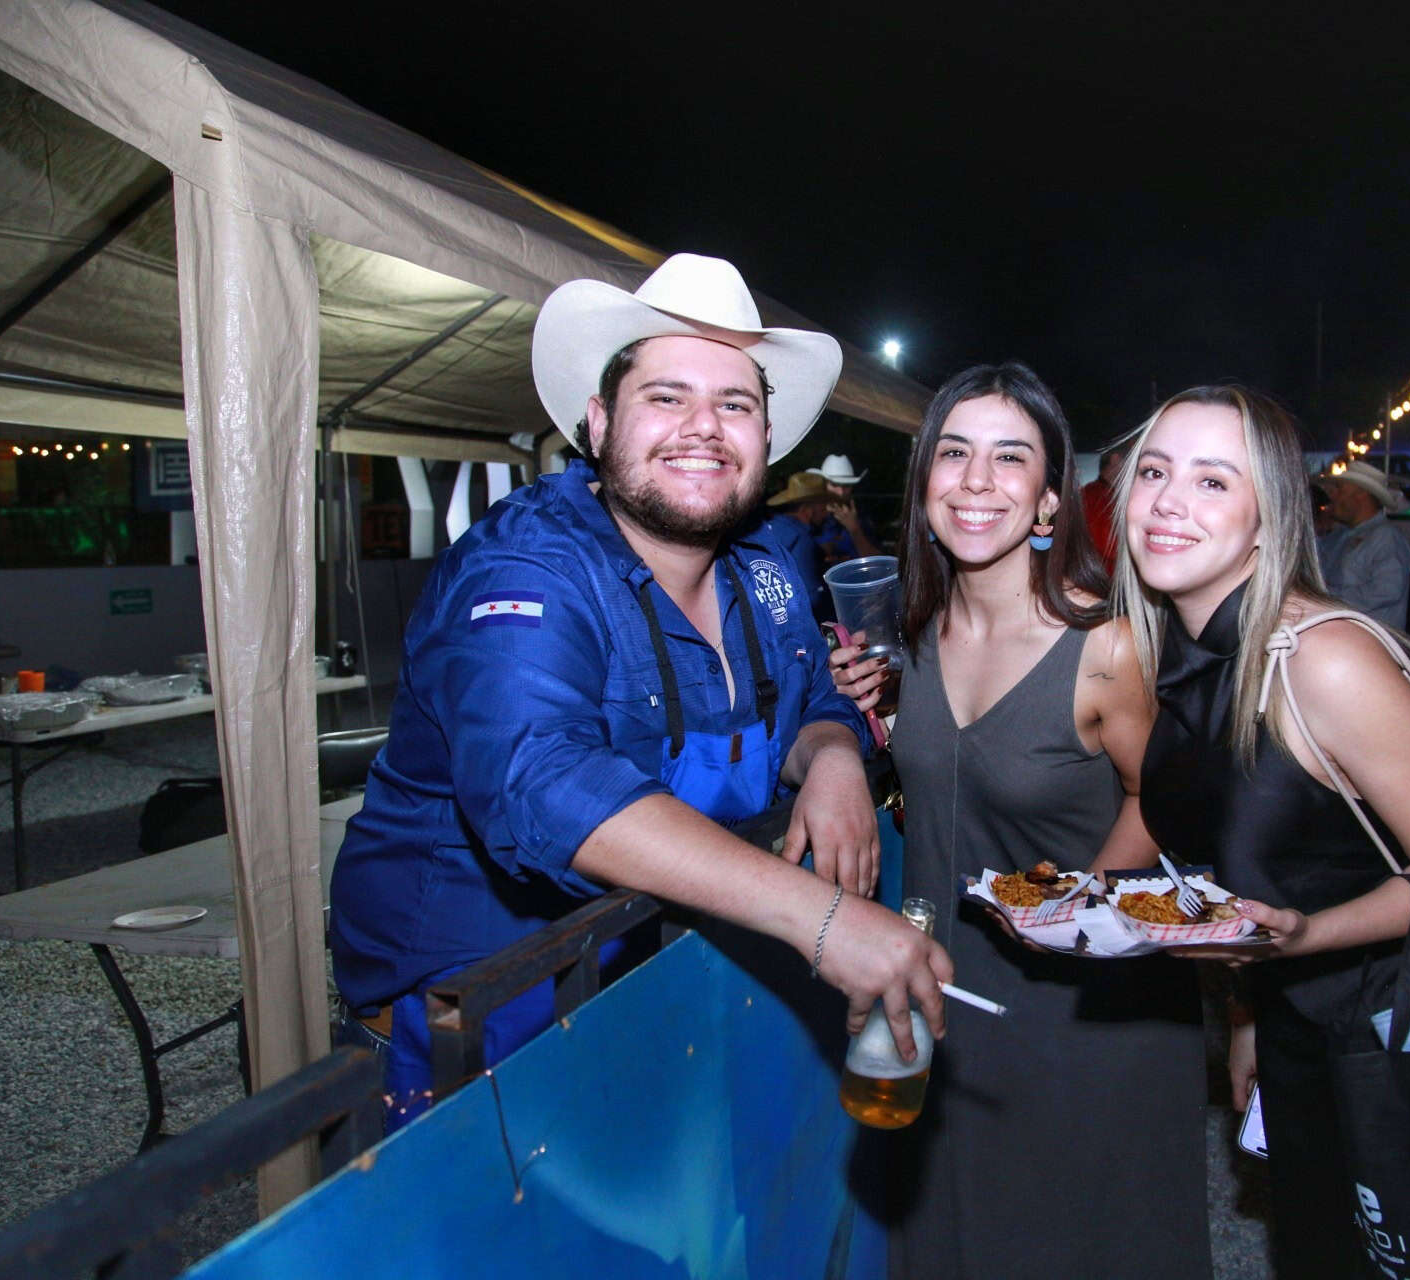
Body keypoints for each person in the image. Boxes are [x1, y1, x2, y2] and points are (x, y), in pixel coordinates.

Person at [329, 254, 951, 1129]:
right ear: (598, 421)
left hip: (646, 987)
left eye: (734, 404)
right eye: (667, 396)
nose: (704, 428)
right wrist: (820, 918)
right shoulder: (527, 568)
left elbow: (813, 694)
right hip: (471, 1028)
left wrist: (834, 758)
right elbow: (541, 781)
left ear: (766, 437)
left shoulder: (765, 566)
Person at [829, 363, 1211, 1279]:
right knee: (956, 1239)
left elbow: (1165, 797)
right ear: (924, 485)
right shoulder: (907, 638)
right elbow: (945, 783)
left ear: (1048, 500)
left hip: (1085, 1015)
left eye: (1010, 458)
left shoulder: (1105, 646)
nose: (976, 480)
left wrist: (1076, 903)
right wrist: (857, 731)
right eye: (953, 453)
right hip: (946, 998)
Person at [1112, 385, 1410, 1279]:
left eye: (1214, 481)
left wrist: (1307, 936)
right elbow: (1246, 868)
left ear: (1269, 518)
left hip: (1389, 1038)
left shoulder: (1323, 658)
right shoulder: (1182, 654)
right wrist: (1248, 1017)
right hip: (1293, 1034)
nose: (1169, 502)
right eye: (1155, 473)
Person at [1320, 460, 1410, 629]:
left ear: (1361, 494)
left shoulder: (1386, 538)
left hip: (1373, 640)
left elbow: (1387, 590)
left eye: (1341, 489)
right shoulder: (1338, 537)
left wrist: (1327, 599)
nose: (1334, 496)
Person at [763, 470, 835, 620]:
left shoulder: (769, 528)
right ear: (807, 511)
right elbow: (813, 598)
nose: (827, 513)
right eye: (823, 509)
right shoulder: (802, 539)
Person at [810, 452, 883, 562]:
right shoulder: (810, 516)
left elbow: (877, 562)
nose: (841, 492)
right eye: (834, 485)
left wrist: (855, 529)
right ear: (823, 485)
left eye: (846, 486)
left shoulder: (862, 518)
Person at [1081, 439, 1129, 568]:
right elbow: (1109, 545)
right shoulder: (1095, 497)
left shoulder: (1091, 494)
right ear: (1115, 460)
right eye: (1130, 461)